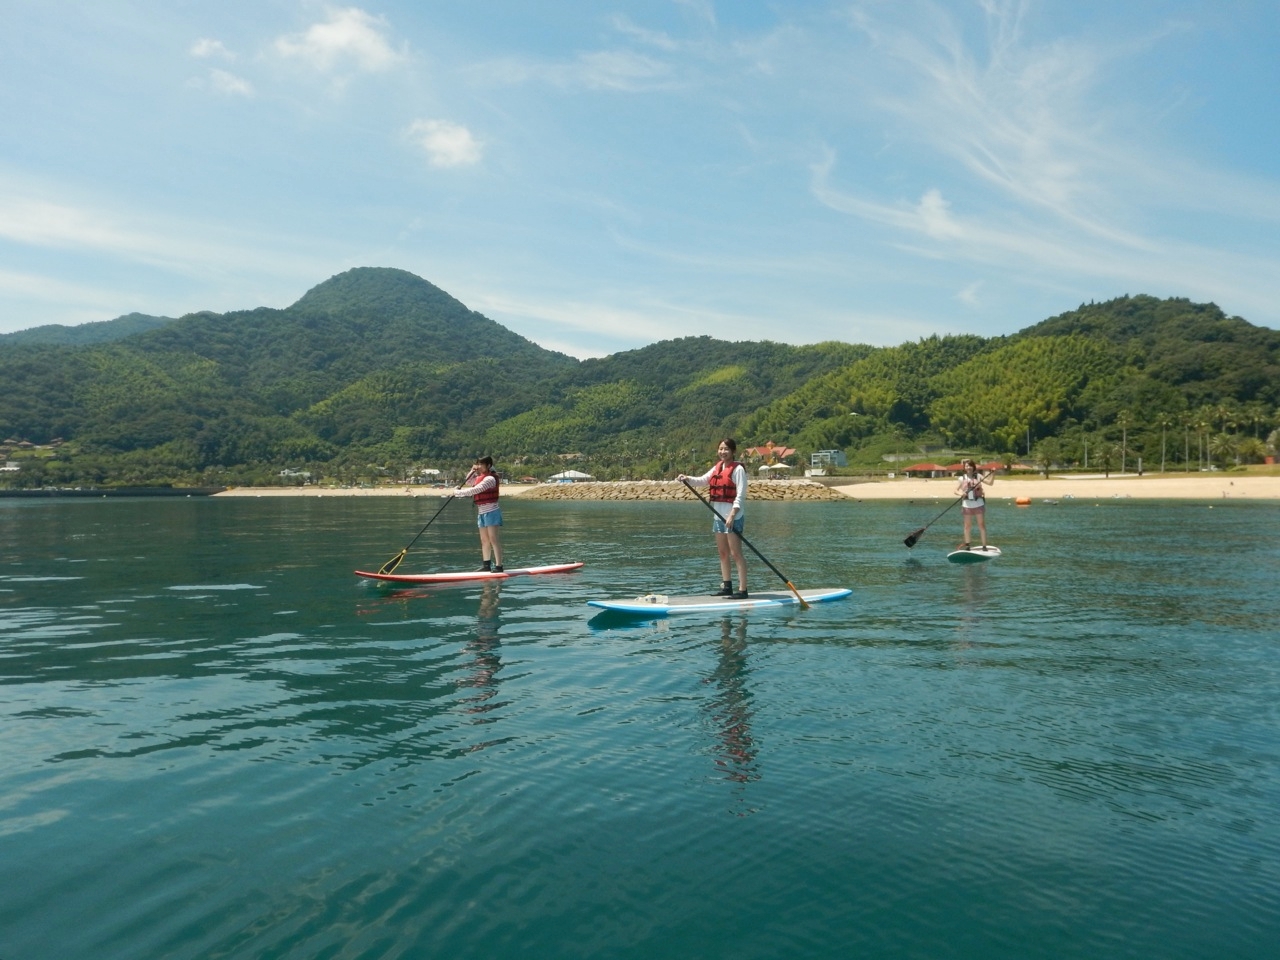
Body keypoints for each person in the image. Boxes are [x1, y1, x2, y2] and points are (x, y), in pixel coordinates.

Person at [678, 439, 748, 598]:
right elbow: (703, 480)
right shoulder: (718, 467)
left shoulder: (738, 470)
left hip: (733, 517)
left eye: (727, 449)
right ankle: (727, 586)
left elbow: (741, 495)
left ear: (733, 451)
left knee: (736, 553)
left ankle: (743, 590)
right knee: (723, 553)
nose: (723, 452)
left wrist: (732, 515)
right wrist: (687, 478)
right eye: (721, 449)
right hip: (718, 517)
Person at [450, 456, 504, 572]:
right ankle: (486, 565)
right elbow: (469, 481)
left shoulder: (490, 479)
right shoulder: (480, 477)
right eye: (477, 464)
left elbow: (476, 490)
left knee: (493, 539)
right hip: (481, 512)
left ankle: (499, 566)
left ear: (488, 466)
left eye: (481, 464)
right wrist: (472, 470)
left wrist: (458, 493)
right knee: (484, 540)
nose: (478, 467)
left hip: (492, 511)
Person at [954, 459, 994, 549]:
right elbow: (955, 490)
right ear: (964, 468)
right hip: (966, 505)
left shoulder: (978, 476)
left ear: (973, 467)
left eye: (970, 466)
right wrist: (961, 494)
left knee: (981, 525)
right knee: (967, 526)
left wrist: (993, 473)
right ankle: (968, 545)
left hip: (978, 504)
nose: (968, 468)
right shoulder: (961, 478)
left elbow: (990, 483)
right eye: (966, 466)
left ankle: (984, 546)